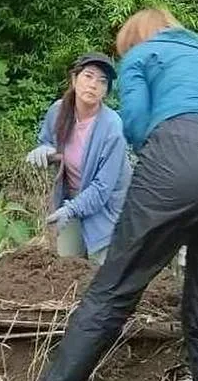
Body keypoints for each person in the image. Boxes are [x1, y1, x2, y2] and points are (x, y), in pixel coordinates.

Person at [28, 8, 198, 381]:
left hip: (177, 157)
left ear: (131, 41)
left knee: (114, 290)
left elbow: (135, 126)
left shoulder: (141, 56)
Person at [26, 53, 129, 265]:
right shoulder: (58, 111)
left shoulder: (112, 127)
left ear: (107, 91)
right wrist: (45, 150)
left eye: (102, 82)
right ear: (74, 80)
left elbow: (102, 188)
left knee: (103, 275)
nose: (93, 85)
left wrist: (71, 209)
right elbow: (47, 140)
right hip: (71, 201)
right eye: (88, 76)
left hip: (107, 210)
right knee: (67, 268)